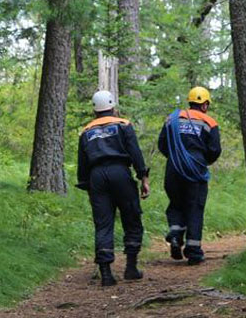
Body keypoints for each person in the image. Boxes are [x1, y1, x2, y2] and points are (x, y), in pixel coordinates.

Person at [76, 90, 150, 286]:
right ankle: (131, 267)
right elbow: (135, 152)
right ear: (113, 106)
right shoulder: (123, 125)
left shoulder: (86, 131)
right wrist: (143, 176)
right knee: (131, 217)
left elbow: (82, 163)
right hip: (120, 173)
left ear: (94, 110)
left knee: (103, 223)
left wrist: (87, 185)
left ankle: (106, 273)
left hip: (97, 177)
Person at [157, 86, 222, 265]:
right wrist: (202, 161)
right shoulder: (209, 122)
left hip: (173, 167)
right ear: (205, 104)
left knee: (176, 203)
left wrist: (174, 158)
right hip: (196, 168)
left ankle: (176, 235)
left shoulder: (172, 119)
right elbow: (215, 150)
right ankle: (193, 251)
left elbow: (162, 144)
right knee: (194, 207)